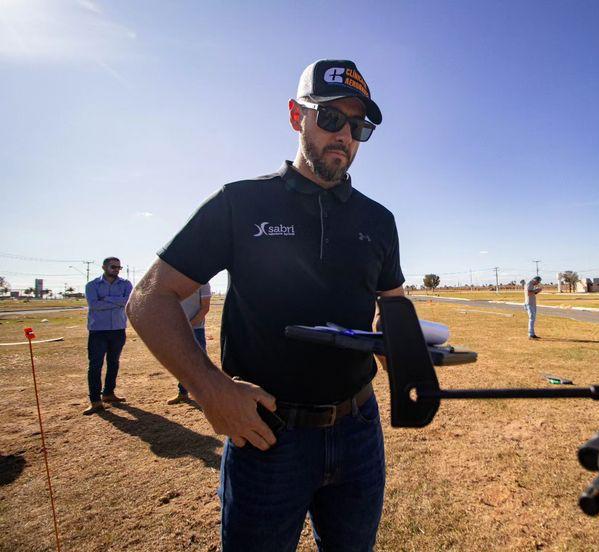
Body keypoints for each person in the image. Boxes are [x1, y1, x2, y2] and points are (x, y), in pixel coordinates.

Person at [127, 59, 404, 551]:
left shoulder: (379, 221)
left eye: (357, 126)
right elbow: (150, 300)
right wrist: (210, 389)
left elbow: (392, 306)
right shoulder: (241, 203)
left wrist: (400, 344)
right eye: (331, 119)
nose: (344, 136)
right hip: (267, 434)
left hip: (359, 431)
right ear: (298, 117)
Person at [83, 257, 132, 415]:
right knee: (95, 366)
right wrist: (117, 301)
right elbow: (94, 305)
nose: (116, 269)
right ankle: (95, 401)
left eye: (119, 267)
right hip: (98, 331)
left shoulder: (125, 284)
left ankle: (109, 393)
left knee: (113, 363)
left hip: (118, 329)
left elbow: (128, 302)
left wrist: (107, 299)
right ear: (104, 267)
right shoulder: (92, 285)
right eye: (113, 266)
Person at [167, 283, 211, 405]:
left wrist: (188, 326)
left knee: (200, 363)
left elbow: (205, 308)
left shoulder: (203, 283)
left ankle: (207, 395)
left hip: (195, 330)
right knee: (182, 362)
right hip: (178, 329)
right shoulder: (177, 281)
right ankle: (183, 393)